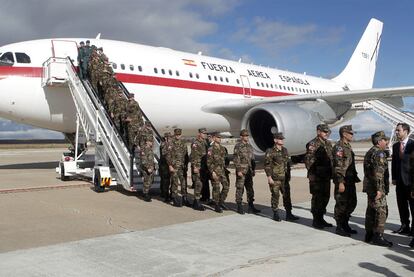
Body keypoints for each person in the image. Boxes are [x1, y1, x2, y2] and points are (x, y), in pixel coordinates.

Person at [363, 131, 393, 247]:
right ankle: (378, 236)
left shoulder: (370, 151)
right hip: (376, 188)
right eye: (385, 140)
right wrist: (379, 190)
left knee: (371, 210)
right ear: (379, 141)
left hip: (370, 187)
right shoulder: (379, 153)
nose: (386, 142)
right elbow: (378, 174)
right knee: (381, 211)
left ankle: (369, 234)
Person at [332, 125, 360, 237]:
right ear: (344, 134)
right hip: (343, 181)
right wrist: (340, 182)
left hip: (350, 180)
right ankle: (339, 227)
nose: (352, 135)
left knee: (352, 203)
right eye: (351, 133)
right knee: (341, 204)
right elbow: (338, 166)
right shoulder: (339, 147)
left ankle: (345, 224)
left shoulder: (348, 146)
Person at [305, 124, 334, 228]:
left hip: (326, 176)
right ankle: (316, 220)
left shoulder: (328, 143)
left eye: (328, 132)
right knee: (317, 198)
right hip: (317, 176)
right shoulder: (313, 144)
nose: (327, 134)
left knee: (325, 197)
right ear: (318, 132)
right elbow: (308, 160)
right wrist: (311, 174)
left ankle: (321, 218)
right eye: (324, 132)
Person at [391, 122, 414, 235]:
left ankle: (413, 230)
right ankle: (404, 226)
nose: (396, 132)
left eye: (398, 130)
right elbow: (394, 163)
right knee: (402, 205)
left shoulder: (413, 145)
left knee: (413, 207)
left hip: (411, 183)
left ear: (405, 131)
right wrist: (394, 177)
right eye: (396, 130)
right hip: (399, 182)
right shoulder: (395, 146)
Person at [264, 132, 291, 222]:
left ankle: (289, 214)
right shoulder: (270, 151)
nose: (282, 140)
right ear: (275, 140)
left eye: (282, 139)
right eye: (280, 139)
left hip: (285, 178)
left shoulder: (285, 150)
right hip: (275, 178)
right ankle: (275, 213)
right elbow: (267, 165)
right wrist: (269, 177)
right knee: (275, 195)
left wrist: (289, 176)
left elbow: (288, 164)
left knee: (287, 196)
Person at [233, 129, 260, 215]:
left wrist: (253, 169)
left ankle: (251, 206)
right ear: (241, 137)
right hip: (242, 171)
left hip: (249, 171)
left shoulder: (249, 146)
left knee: (250, 189)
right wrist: (238, 170)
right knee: (240, 189)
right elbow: (236, 159)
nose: (247, 137)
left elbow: (252, 159)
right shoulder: (238, 146)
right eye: (245, 136)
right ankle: (239, 206)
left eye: (247, 136)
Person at [207, 132, 229, 213]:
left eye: (220, 137)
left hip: (222, 171)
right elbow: (209, 162)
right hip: (215, 172)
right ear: (214, 138)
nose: (219, 139)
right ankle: (216, 205)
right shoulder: (211, 149)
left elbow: (224, 160)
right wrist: (212, 172)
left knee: (226, 186)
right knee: (216, 188)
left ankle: (221, 201)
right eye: (218, 137)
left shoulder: (222, 148)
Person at [167, 128, 189, 207]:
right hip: (174, 166)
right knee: (175, 183)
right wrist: (170, 165)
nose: (178, 136)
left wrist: (186, 165)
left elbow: (186, 155)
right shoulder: (171, 143)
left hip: (182, 167)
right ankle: (174, 198)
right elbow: (168, 155)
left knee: (183, 183)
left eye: (179, 134)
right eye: (176, 134)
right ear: (174, 134)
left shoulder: (183, 143)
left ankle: (184, 198)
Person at [190, 128, 208, 211]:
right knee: (198, 184)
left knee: (201, 184)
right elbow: (194, 156)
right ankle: (196, 202)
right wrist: (195, 167)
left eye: (205, 133)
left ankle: (195, 201)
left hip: (203, 166)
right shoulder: (196, 143)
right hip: (198, 166)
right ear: (199, 134)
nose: (205, 134)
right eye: (203, 133)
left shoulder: (204, 142)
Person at [139, 135, 155, 202]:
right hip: (146, 169)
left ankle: (145, 192)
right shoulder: (144, 149)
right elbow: (143, 161)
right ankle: (145, 194)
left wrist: (154, 166)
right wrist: (148, 168)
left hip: (151, 168)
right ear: (147, 142)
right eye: (151, 141)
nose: (152, 142)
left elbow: (151, 159)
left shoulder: (150, 149)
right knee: (147, 181)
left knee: (151, 181)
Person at [160, 132, 172, 202]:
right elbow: (164, 154)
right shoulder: (163, 144)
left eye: (170, 137)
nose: (170, 138)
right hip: (164, 165)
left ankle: (167, 194)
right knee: (165, 180)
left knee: (169, 180)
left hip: (169, 164)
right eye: (169, 137)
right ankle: (165, 195)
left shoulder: (170, 144)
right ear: (165, 138)